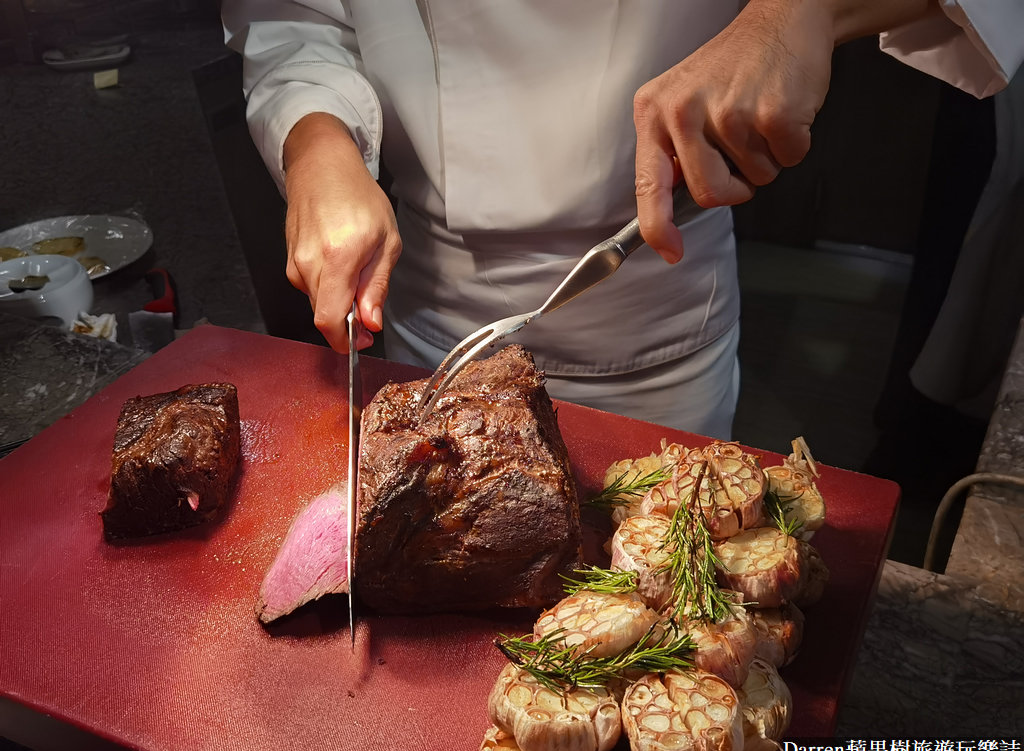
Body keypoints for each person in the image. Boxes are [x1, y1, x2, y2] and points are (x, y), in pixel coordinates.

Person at [220, 0, 1023, 439]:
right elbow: (298, 20)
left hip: (659, 328)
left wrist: (801, 9)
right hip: (432, 325)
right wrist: (317, 142)